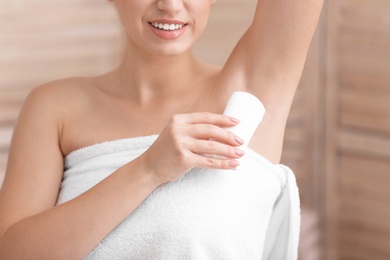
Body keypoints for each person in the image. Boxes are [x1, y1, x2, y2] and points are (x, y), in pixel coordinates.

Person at [0, 0, 323, 259]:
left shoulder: (249, 92)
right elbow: (12, 253)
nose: (170, 5)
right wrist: (148, 169)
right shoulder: (55, 107)